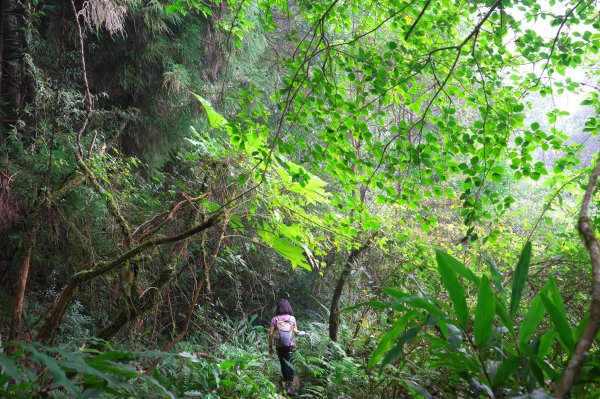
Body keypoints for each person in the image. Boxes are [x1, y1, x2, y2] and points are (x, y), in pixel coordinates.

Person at [269, 299, 304, 396]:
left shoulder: (275, 319)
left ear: (278, 308)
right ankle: (289, 387)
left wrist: (270, 346)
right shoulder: (292, 318)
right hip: (291, 345)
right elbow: (295, 331)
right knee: (290, 364)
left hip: (280, 345)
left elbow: (271, 334)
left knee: (283, 364)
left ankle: (286, 385)